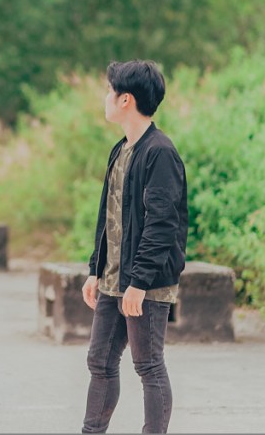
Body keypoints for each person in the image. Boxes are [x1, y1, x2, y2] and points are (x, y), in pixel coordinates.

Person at [81, 60, 188, 434]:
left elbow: (162, 224)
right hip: (115, 278)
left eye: (109, 91)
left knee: (148, 365)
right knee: (100, 361)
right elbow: (108, 215)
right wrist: (95, 269)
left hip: (145, 282)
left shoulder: (160, 152)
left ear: (125, 99)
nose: (105, 98)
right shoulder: (121, 149)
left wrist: (139, 282)